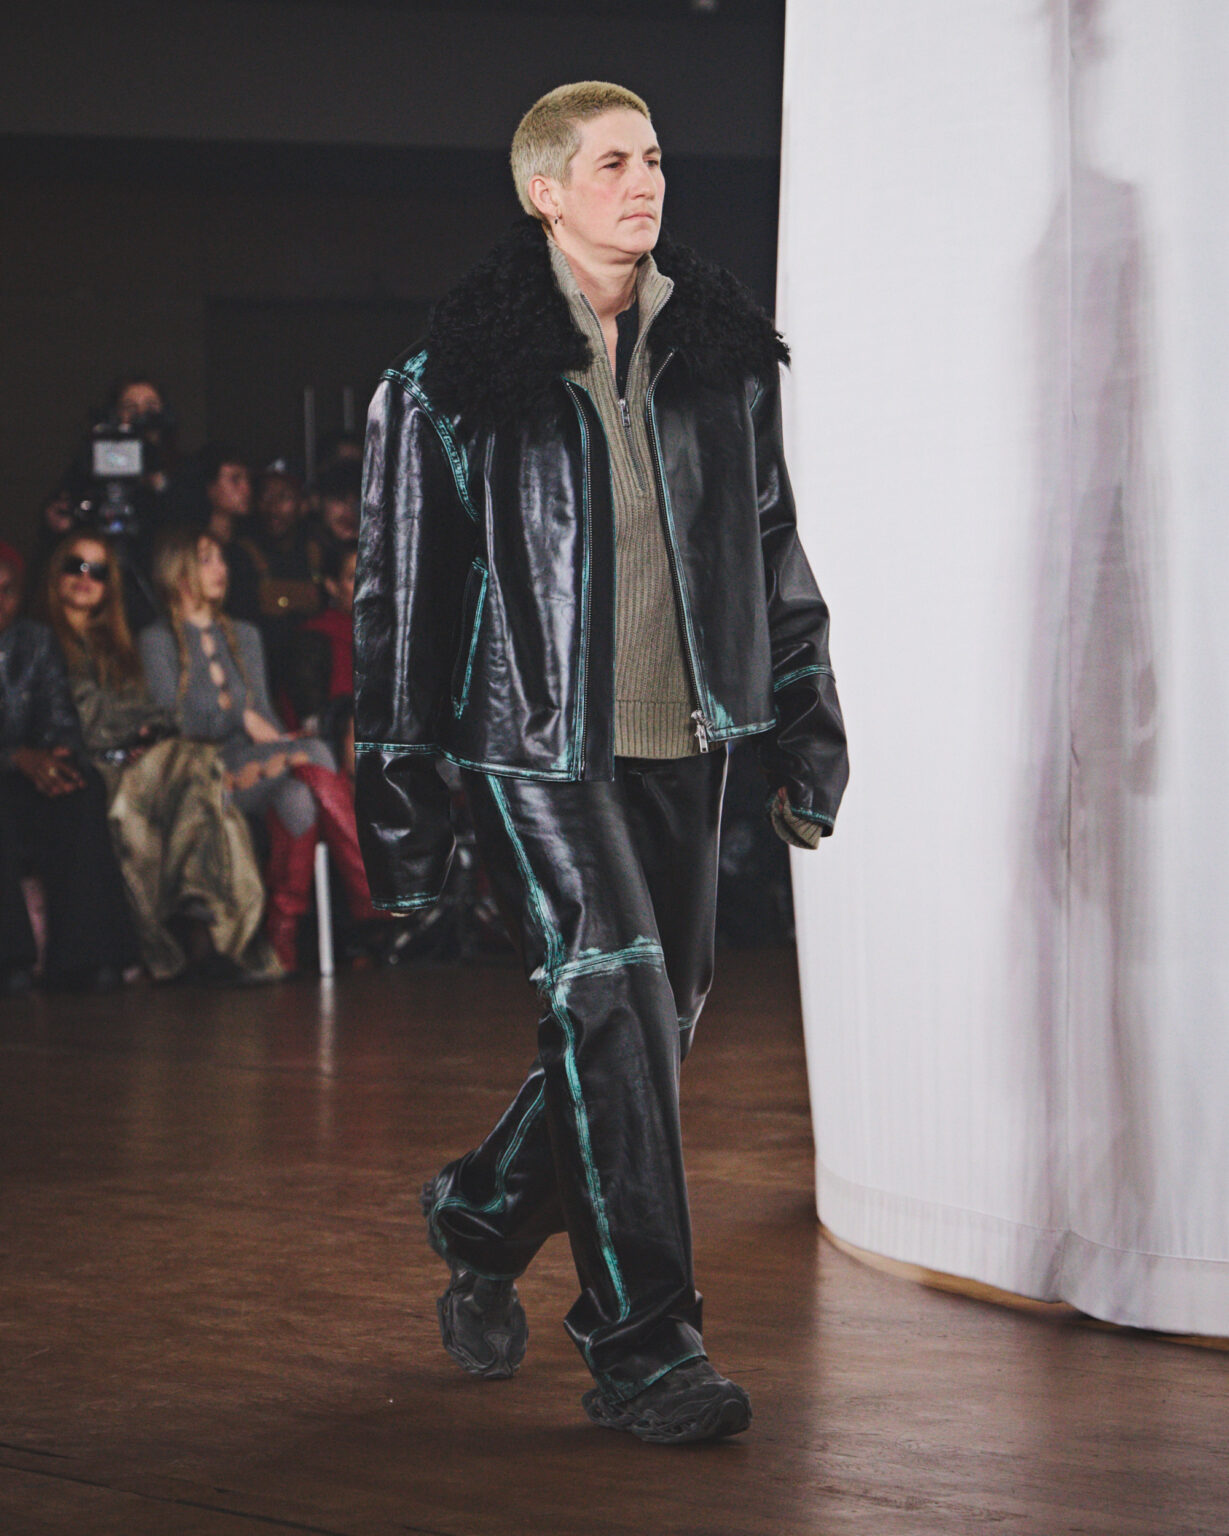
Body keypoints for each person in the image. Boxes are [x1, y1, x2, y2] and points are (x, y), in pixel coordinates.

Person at [354, 82, 848, 1443]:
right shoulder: (450, 384)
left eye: (654, 159)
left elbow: (770, 549)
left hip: (681, 741)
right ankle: (645, 1349)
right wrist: (399, 815)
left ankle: (479, 1212)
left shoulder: (719, 360)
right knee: (618, 1004)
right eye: (614, 163)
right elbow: (398, 607)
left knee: (649, 1018)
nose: (645, 184)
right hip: (531, 747)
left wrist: (803, 725)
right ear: (545, 193)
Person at [45, 531, 281, 984]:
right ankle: (209, 932)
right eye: (75, 565)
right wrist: (143, 726)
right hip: (97, 768)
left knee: (198, 774)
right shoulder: (42, 638)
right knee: (198, 768)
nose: (86, 578)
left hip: (142, 764)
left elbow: (153, 711)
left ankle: (203, 925)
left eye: (98, 571)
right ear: (56, 573)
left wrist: (147, 728)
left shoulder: (116, 643)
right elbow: (84, 714)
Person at [140, 527, 377, 973]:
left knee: (299, 794)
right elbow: (174, 724)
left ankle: (281, 939)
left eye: (221, 559)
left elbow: (264, 716)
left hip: (251, 766)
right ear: (179, 571)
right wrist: (238, 718)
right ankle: (369, 889)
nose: (221, 568)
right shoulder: (158, 639)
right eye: (207, 559)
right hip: (196, 772)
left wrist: (279, 739)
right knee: (314, 757)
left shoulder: (244, 634)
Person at [0, 541, 139, 994]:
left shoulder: (35, 641)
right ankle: (10, 959)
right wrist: (16, 757)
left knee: (81, 787)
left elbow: (60, 717)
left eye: (7, 591)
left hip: (26, 775)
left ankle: (89, 957)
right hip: (9, 770)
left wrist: (56, 759)